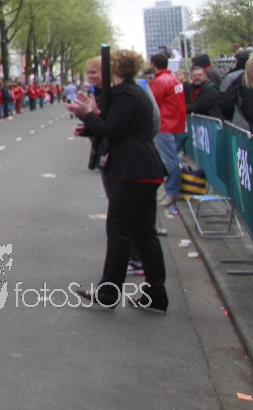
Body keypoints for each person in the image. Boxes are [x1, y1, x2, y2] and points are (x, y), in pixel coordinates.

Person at [67, 49, 168, 312]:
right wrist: (89, 125)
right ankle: (155, 293)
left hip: (131, 170)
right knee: (144, 233)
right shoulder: (133, 92)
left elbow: (111, 129)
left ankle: (109, 292)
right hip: (143, 168)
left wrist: (87, 114)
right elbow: (118, 128)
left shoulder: (125, 95)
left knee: (119, 230)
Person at [148, 52, 187, 210]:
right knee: (172, 159)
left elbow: (152, 104)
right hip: (175, 123)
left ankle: (172, 191)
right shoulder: (173, 79)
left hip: (164, 125)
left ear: (153, 65)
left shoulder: (160, 82)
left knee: (169, 160)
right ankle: (171, 189)